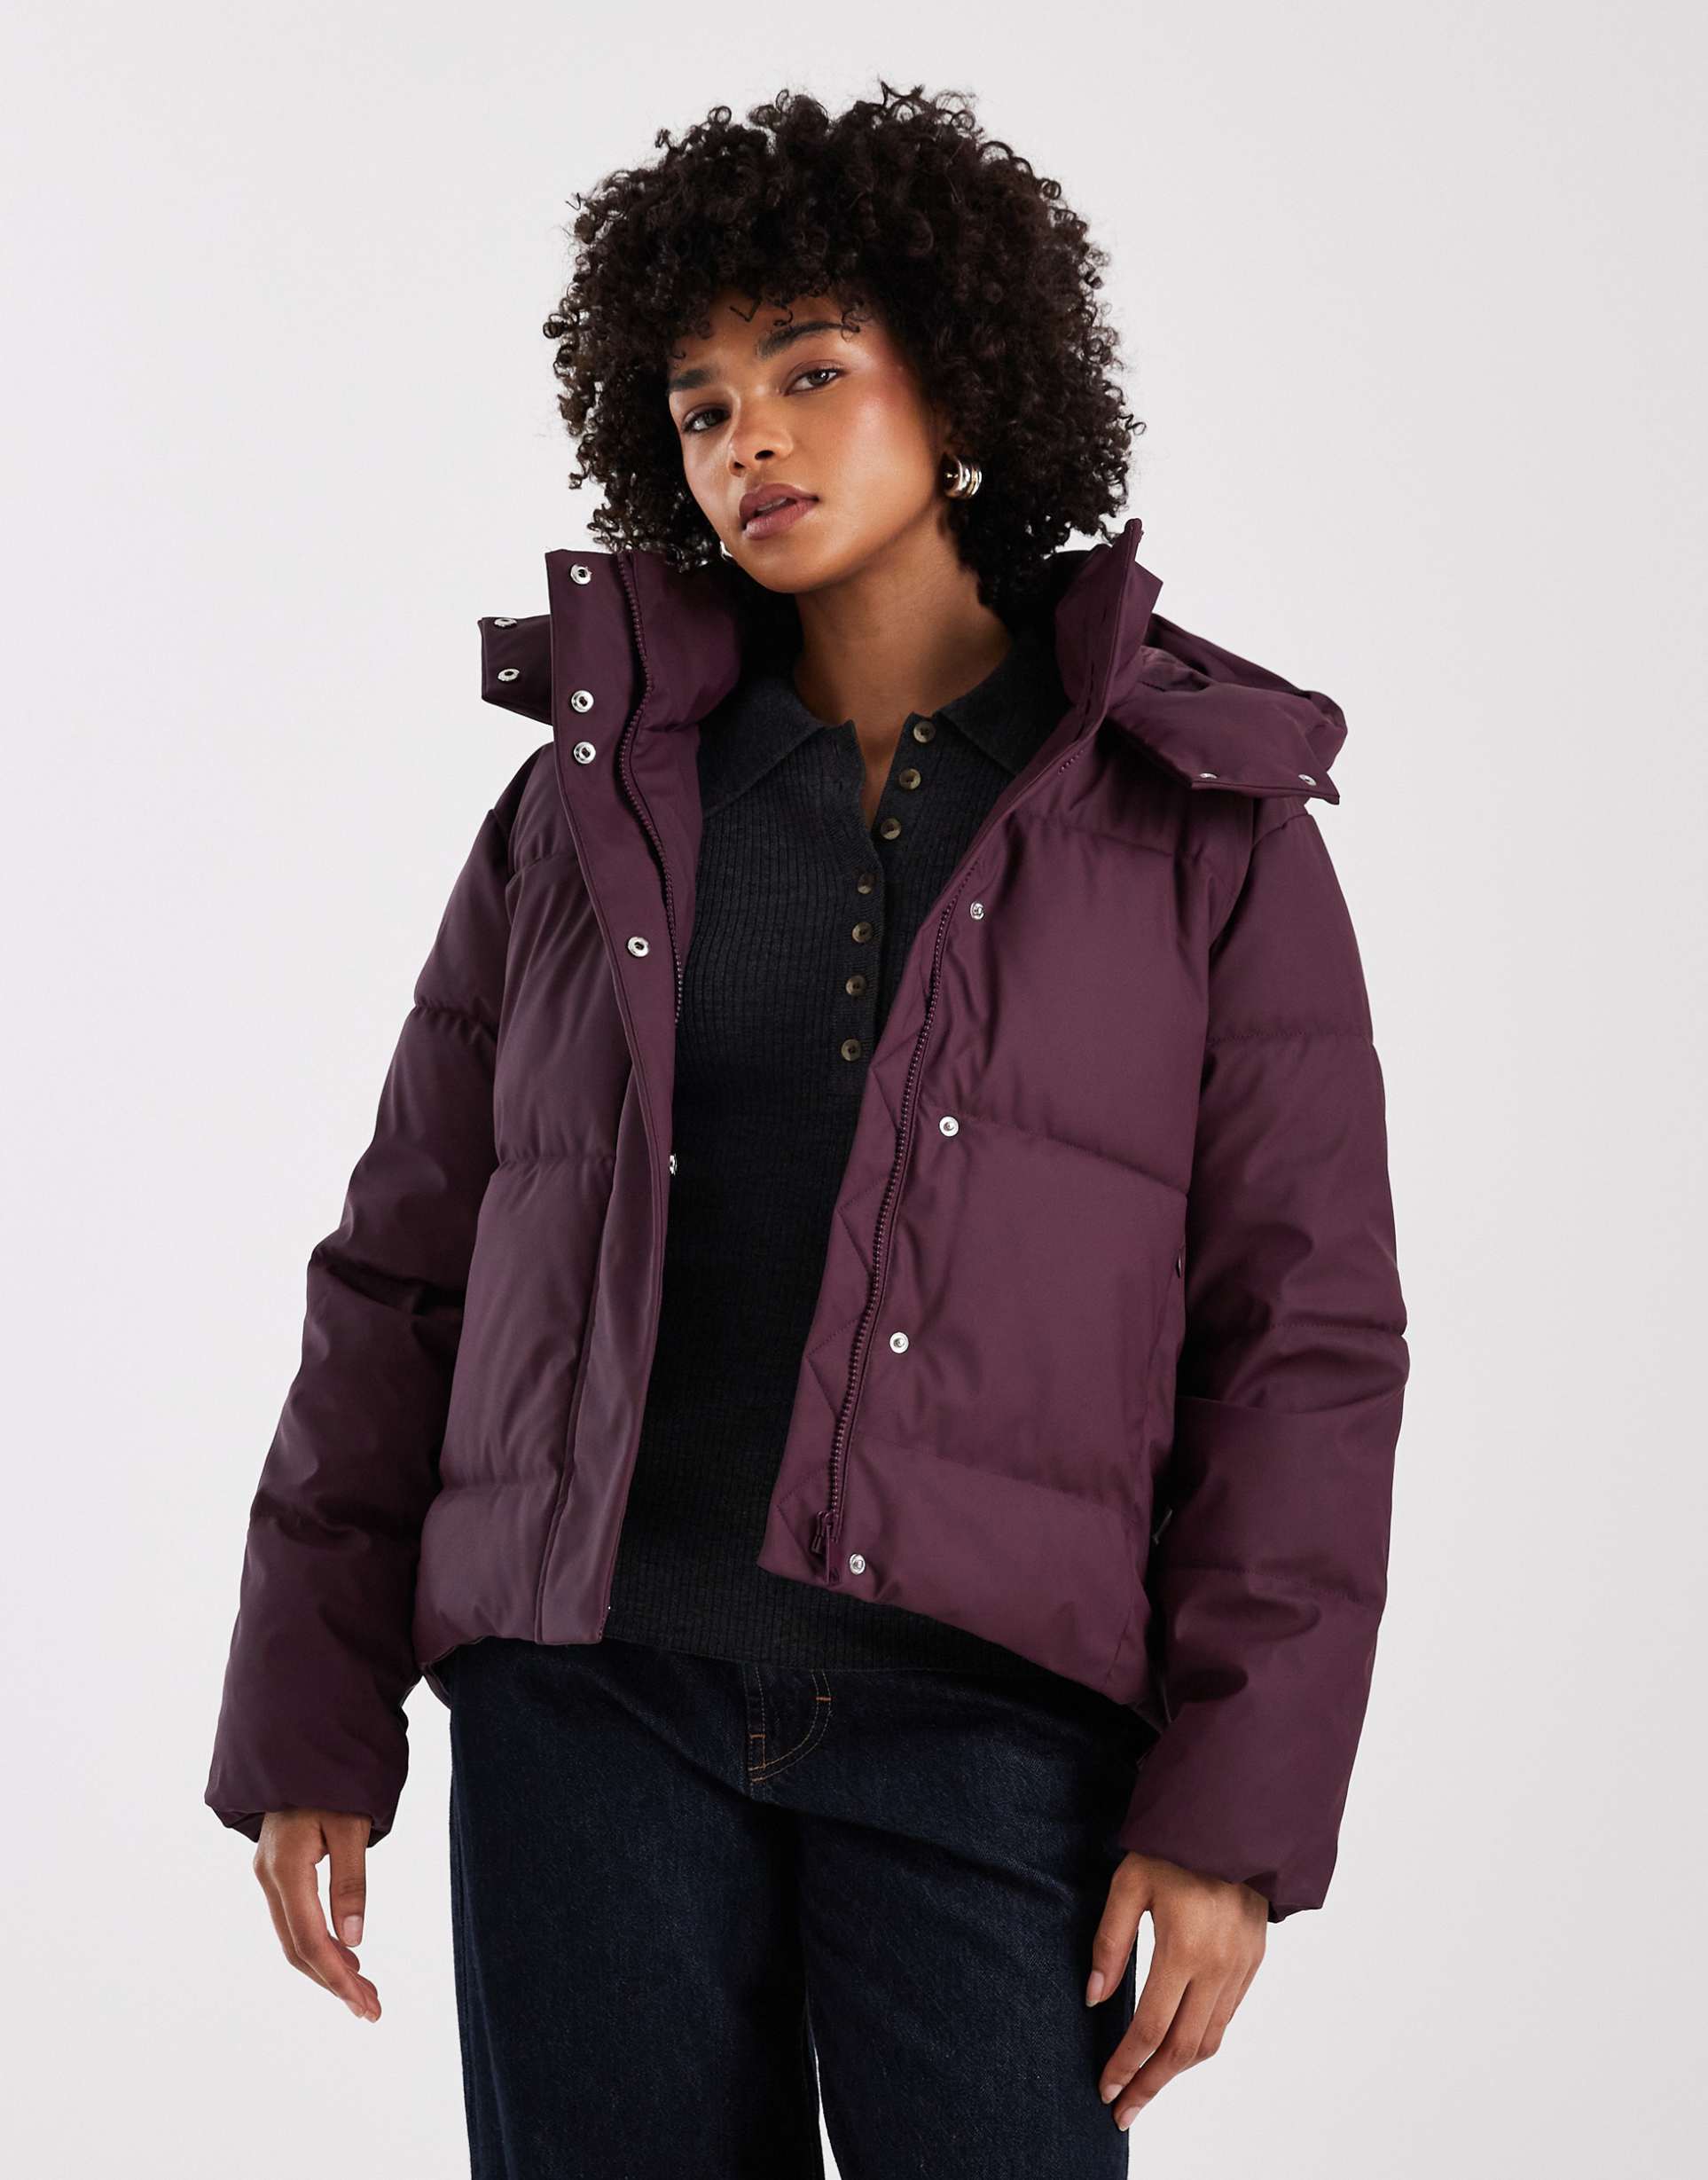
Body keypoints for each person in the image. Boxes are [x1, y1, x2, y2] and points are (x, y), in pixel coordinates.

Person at [205, 82, 1408, 2175]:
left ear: (966, 382)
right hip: (593, 1702)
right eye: (699, 405)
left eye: (808, 372)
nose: (746, 438)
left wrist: (1234, 1810)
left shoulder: (1199, 827)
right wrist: (309, 1707)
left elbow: (1302, 1340)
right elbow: (404, 1265)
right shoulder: (583, 810)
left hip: (994, 1728)